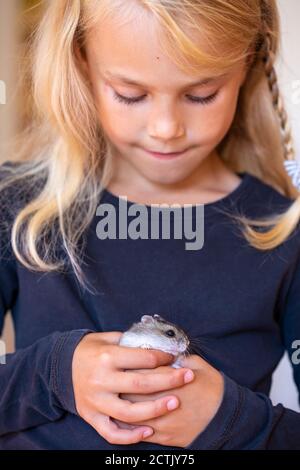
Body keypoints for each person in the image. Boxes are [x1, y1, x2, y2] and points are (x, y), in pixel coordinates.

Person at [0, 0, 300, 450]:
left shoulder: (284, 231)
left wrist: (237, 421)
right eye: (130, 93)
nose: (165, 128)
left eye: (201, 94)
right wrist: (52, 374)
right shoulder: (18, 208)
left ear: (250, 62)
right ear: (81, 60)